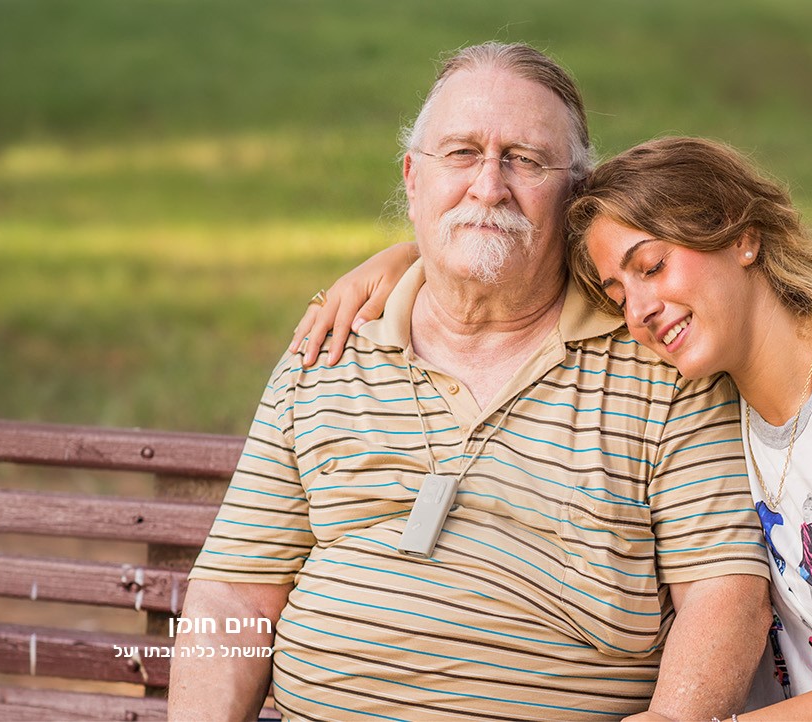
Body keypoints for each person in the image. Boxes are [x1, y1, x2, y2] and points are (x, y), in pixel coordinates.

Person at [300, 137, 812, 721]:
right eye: (617, 289)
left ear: (743, 237)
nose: (639, 310)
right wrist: (406, 261)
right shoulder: (723, 403)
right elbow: (534, 271)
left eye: (653, 267)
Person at [168, 44, 772, 721]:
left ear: (577, 195)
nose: (489, 186)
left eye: (525, 159)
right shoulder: (330, 347)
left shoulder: (657, 358)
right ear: (413, 179)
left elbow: (725, 592)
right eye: (460, 154)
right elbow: (234, 594)